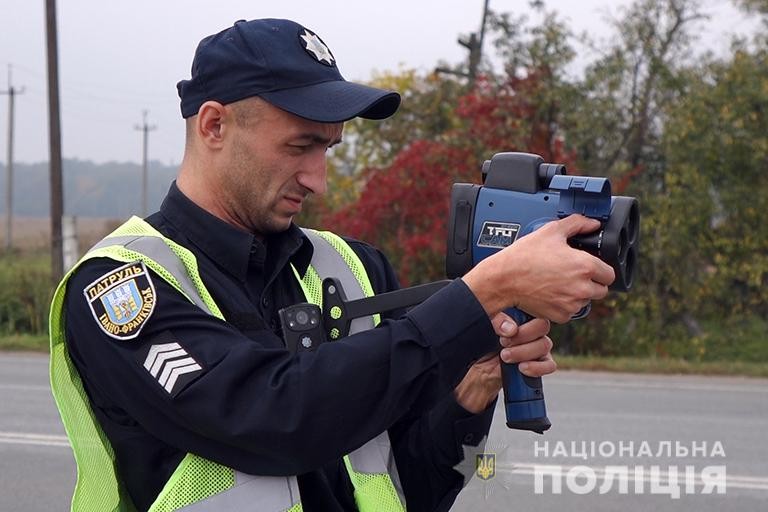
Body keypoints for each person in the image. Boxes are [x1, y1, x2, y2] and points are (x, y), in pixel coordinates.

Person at [49, 18, 615, 512]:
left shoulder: (354, 268)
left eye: (328, 149)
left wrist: (472, 392)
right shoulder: (123, 287)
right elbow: (273, 418)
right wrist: (481, 293)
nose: (318, 179)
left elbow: (410, 491)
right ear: (214, 126)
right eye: (299, 147)